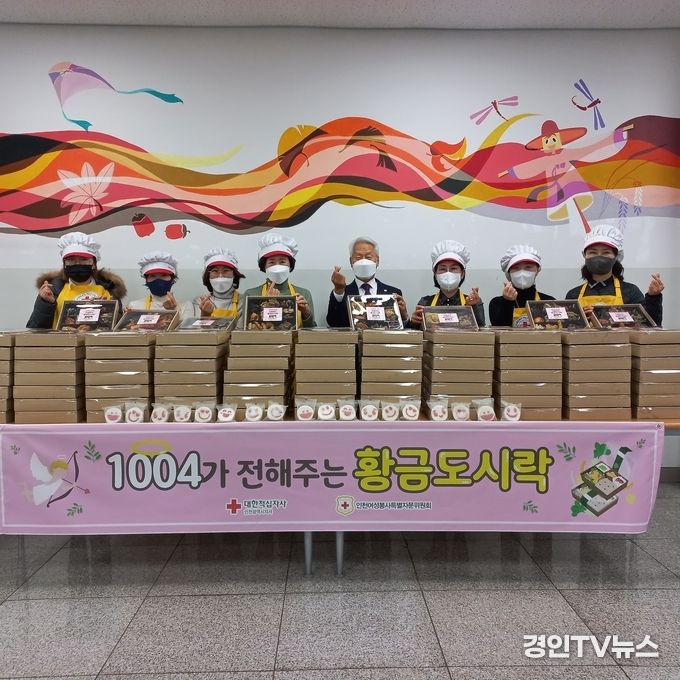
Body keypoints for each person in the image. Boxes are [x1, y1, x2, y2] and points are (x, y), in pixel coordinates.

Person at [565, 225, 663, 326]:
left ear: (616, 257)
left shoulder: (630, 291)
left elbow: (651, 325)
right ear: (585, 256)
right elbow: (565, 328)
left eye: (606, 252)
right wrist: (580, 320)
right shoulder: (573, 295)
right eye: (593, 252)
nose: (599, 256)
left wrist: (653, 297)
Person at [27, 232, 127, 329]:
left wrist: (121, 316)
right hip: (62, 340)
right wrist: (46, 303)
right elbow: (35, 328)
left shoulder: (109, 289)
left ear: (93, 263)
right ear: (64, 264)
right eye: (71, 260)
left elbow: (117, 328)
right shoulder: (53, 289)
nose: (78, 263)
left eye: (84, 260)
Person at [326, 236, 407, 327]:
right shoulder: (343, 292)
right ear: (351, 261)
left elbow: (401, 328)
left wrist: (404, 318)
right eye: (358, 257)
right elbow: (333, 323)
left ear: (377, 261)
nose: (363, 262)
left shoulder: (392, 293)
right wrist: (339, 291)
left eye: (368, 257)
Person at [242, 234, 316, 328]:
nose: (277, 266)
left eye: (282, 262)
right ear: (264, 267)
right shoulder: (251, 294)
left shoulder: (303, 293)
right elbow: (247, 330)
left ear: (290, 266)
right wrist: (266, 304)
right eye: (272, 262)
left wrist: (306, 312)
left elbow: (311, 329)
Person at [409, 239, 485, 329]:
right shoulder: (425, 302)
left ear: (462, 273)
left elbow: (481, 330)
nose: (448, 273)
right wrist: (414, 323)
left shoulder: (472, 301)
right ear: (435, 274)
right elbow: (417, 332)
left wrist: (472, 307)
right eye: (442, 269)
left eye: (453, 268)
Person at [489, 245, 555, 327]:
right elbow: (499, 329)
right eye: (516, 268)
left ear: (537, 271)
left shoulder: (549, 302)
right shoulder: (497, 303)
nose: (522, 273)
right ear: (508, 273)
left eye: (528, 267)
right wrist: (507, 302)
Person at [180, 248, 245, 322]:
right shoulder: (199, 302)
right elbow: (193, 328)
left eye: (226, 271)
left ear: (234, 275)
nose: (220, 275)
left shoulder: (244, 302)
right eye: (215, 271)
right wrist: (205, 316)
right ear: (208, 276)